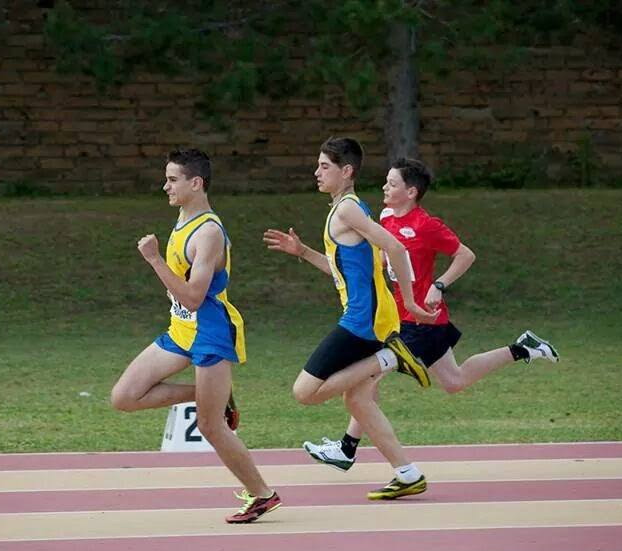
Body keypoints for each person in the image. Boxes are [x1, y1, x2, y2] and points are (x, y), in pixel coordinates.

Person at [290, 158, 560, 477]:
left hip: (422, 320)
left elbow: (465, 255)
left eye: (392, 184)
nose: (384, 188)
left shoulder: (426, 225)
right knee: (452, 381)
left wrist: (439, 284)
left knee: (367, 383)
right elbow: (355, 272)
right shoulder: (385, 221)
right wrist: (306, 253)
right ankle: (521, 348)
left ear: (411, 191)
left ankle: (349, 448)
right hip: (395, 316)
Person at [262, 137, 439, 501]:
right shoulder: (345, 210)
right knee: (359, 402)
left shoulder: (347, 211)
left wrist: (411, 301)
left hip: (364, 323)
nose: (317, 172)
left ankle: (392, 357)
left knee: (304, 393)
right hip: (370, 318)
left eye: (324, 166)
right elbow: (343, 271)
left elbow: (396, 246)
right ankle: (408, 474)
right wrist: (303, 251)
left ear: (347, 171)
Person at [111, 148, 279, 524]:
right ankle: (215, 397)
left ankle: (263, 495)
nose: (165, 186)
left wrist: (154, 259)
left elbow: (193, 295)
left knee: (209, 426)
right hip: (181, 329)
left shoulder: (208, 232)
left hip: (210, 332)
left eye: (172, 179)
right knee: (124, 397)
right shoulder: (183, 218)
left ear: (195, 183)